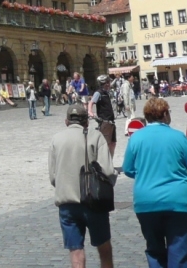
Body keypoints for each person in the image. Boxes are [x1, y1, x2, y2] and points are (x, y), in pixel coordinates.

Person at [123, 97, 187, 268]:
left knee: (155, 250)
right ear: (165, 114)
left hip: (147, 201)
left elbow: (128, 168)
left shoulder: (136, 138)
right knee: (179, 252)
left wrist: (145, 173)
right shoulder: (178, 137)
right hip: (177, 201)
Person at [48, 104, 115, 268]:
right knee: (104, 249)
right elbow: (107, 170)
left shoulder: (56, 139)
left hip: (67, 204)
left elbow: (53, 177)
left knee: (76, 254)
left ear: (66, 121)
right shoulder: (96, 136)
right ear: (86, 121)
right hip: (94, 202)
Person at [89, 75, 117, 161]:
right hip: (105, 122)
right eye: (108, 82)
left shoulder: (106, 92)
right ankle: (104, 165)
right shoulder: (98, 93)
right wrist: (90, 111)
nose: (109, 84)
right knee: (106, 144)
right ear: (103, 83)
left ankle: (110, 164)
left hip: (111, 122)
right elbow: (91, 102)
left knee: (113, 143)